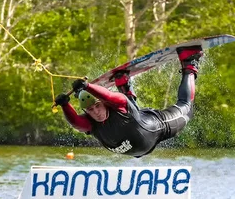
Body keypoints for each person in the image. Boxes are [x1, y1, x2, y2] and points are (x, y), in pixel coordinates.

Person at [54, 47, 203, 157]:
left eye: (97, 106)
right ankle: (122, 82)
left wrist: (87, 86)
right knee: (130, 113)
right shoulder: (91, 124)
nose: (96, 112)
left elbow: (108, 96)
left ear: (103, 103)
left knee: (186, 107)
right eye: (90, 110)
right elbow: (75, 122)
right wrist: (64, 105)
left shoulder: (116, 102)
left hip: (157, 126)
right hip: (137, 127)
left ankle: (189, 62)